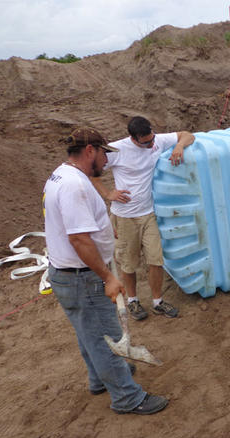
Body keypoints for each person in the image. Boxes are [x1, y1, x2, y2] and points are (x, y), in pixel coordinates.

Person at [44, 127, 168, 415]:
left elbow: (77, 228)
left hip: (69, 275)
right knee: (107, 336)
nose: (105, 161)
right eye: (103, 154)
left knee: (88, 333)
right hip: (82, 278)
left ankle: (98, 379)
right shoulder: (74, 185)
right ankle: (128, 398)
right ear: (90, 151)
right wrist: (109, 277)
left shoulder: (62, 175)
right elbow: (78, 239)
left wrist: (101, 228)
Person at [92, 116, 195, 321]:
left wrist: (179, 147)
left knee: (156, 259)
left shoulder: (156, 141)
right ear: (133, 138)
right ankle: (133, 301)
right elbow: (90, 171)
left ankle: (157, 302)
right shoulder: (117, 150)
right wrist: (107, 193)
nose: (151, 145)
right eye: (145, 142)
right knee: (129, 264)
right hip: (125, 217)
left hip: (148, 214)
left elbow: (187, 135)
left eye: (152, 139)